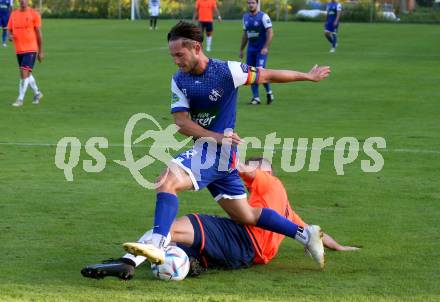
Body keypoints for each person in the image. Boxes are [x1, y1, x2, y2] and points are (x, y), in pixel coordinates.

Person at [130, 21, 330, 271]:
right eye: (172, 56)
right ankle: (305, 234)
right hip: (219, 153)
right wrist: (215, 136)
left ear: (196, 47)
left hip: (214, 154)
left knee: (166, 180)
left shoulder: (226, 72)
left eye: (179, 55)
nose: (176, 61)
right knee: (245, 215)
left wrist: (307, 76)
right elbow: (181, 123)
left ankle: (158, 243)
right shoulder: (179, 80)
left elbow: (268, 75)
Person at [81, 158, 359, 280]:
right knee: (181, 242)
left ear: (265, 170)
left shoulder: (267, 179)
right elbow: (313, 232)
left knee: (175, 226)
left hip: (243, 240)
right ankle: (184, 263)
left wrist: (218, 153)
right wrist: (339, 246)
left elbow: (236, 166)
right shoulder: (286, 209)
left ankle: (129, 263)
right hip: (246, 258)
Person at [7, 0, 43, 107]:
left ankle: (20, 99)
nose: (23, 1)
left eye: (25, 0)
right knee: (26, 74)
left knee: (23, 72)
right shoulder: (14, 14)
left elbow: (39, 33)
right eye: (21, 0)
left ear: (27, 1)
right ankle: (37, 93)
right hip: (19, 49)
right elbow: (9, 30)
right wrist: (9, 36)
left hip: (31, 48)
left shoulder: (34, 14)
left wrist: (41, 51)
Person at [239, 0, 274, 105]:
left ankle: (269, 92)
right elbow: (245, 35)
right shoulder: (245, 17)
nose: (251, 5)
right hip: (251, 50)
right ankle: (256, 98)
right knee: (251, 73)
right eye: (249, 3)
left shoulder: (264, 16)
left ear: (257, 4)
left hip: (261, 50)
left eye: (253, 3)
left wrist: (266, 47)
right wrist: (241, 49)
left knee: (260, 72)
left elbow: (271, 32)